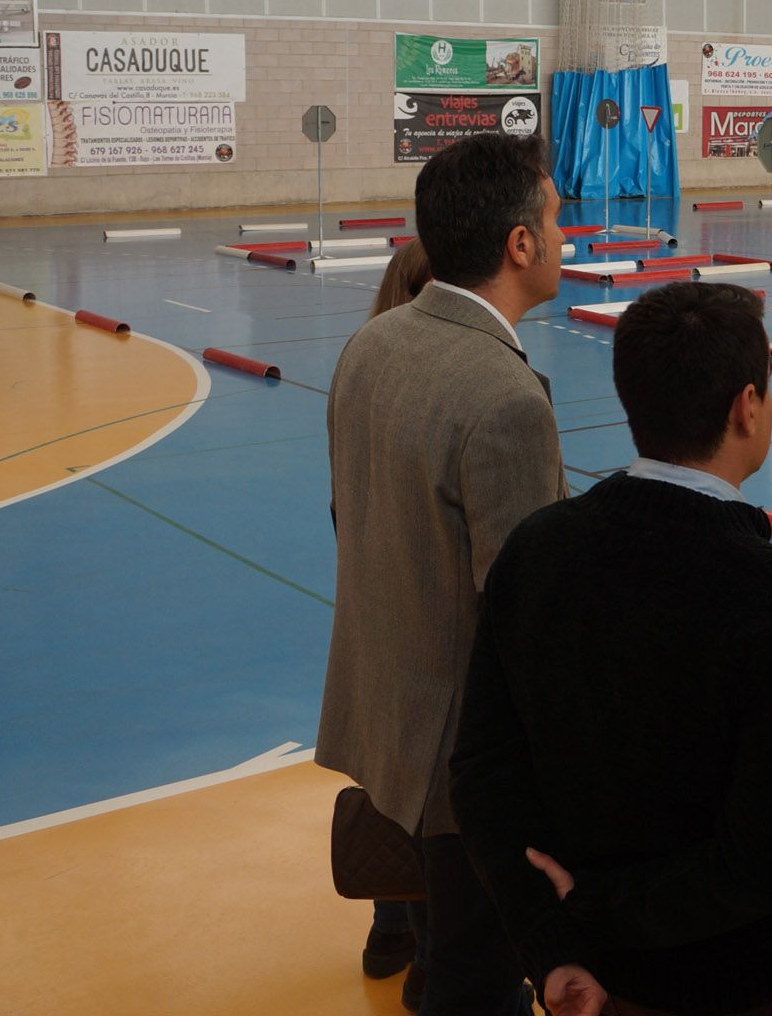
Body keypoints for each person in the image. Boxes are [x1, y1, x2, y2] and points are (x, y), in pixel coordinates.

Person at [453, 282, 772, 1016]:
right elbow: (758, 864)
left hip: (593, 981)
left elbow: (482, 776)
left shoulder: (534, 551)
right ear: (747, 406)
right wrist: (596, 909)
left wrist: (553, 944)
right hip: (750, 982)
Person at [320, 132, 567, 1016]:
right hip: (463, 772)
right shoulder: (504, 396)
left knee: (435, 956)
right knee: (478, 983)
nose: (563, 236)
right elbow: (525, 617)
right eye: (555, 218)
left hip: (382, 720)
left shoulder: (372, 345)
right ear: (520, 244)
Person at [351, 234, 435, 991]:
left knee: (390, 779)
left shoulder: (362, 372)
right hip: (433, 625)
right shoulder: (465, 385)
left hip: (377, 615)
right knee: (441, 798)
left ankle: (389, 929)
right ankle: (431, 954)